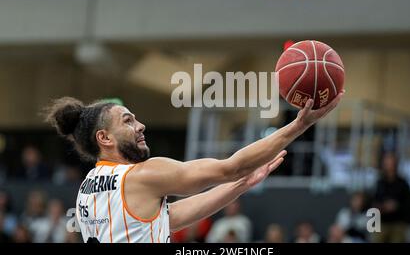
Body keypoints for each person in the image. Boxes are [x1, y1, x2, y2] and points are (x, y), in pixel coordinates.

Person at [44, 93, 343, 243]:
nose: (140, 125)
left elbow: (169, 219)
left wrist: (240, 185)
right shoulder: (142, 175)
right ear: (104, 138)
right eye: (128, 121)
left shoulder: (87, 188)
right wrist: (299, 125)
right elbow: (231, 167)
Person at [372, 152, 410, 243]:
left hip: (398, 222)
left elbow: (409, 203)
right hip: (381, 220)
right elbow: (374, 200)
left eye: (390, 162)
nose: (388, 165)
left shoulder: (403, 183)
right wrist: (381, 206)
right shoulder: (380, 183)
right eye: (386, 162)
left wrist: (396, 206)